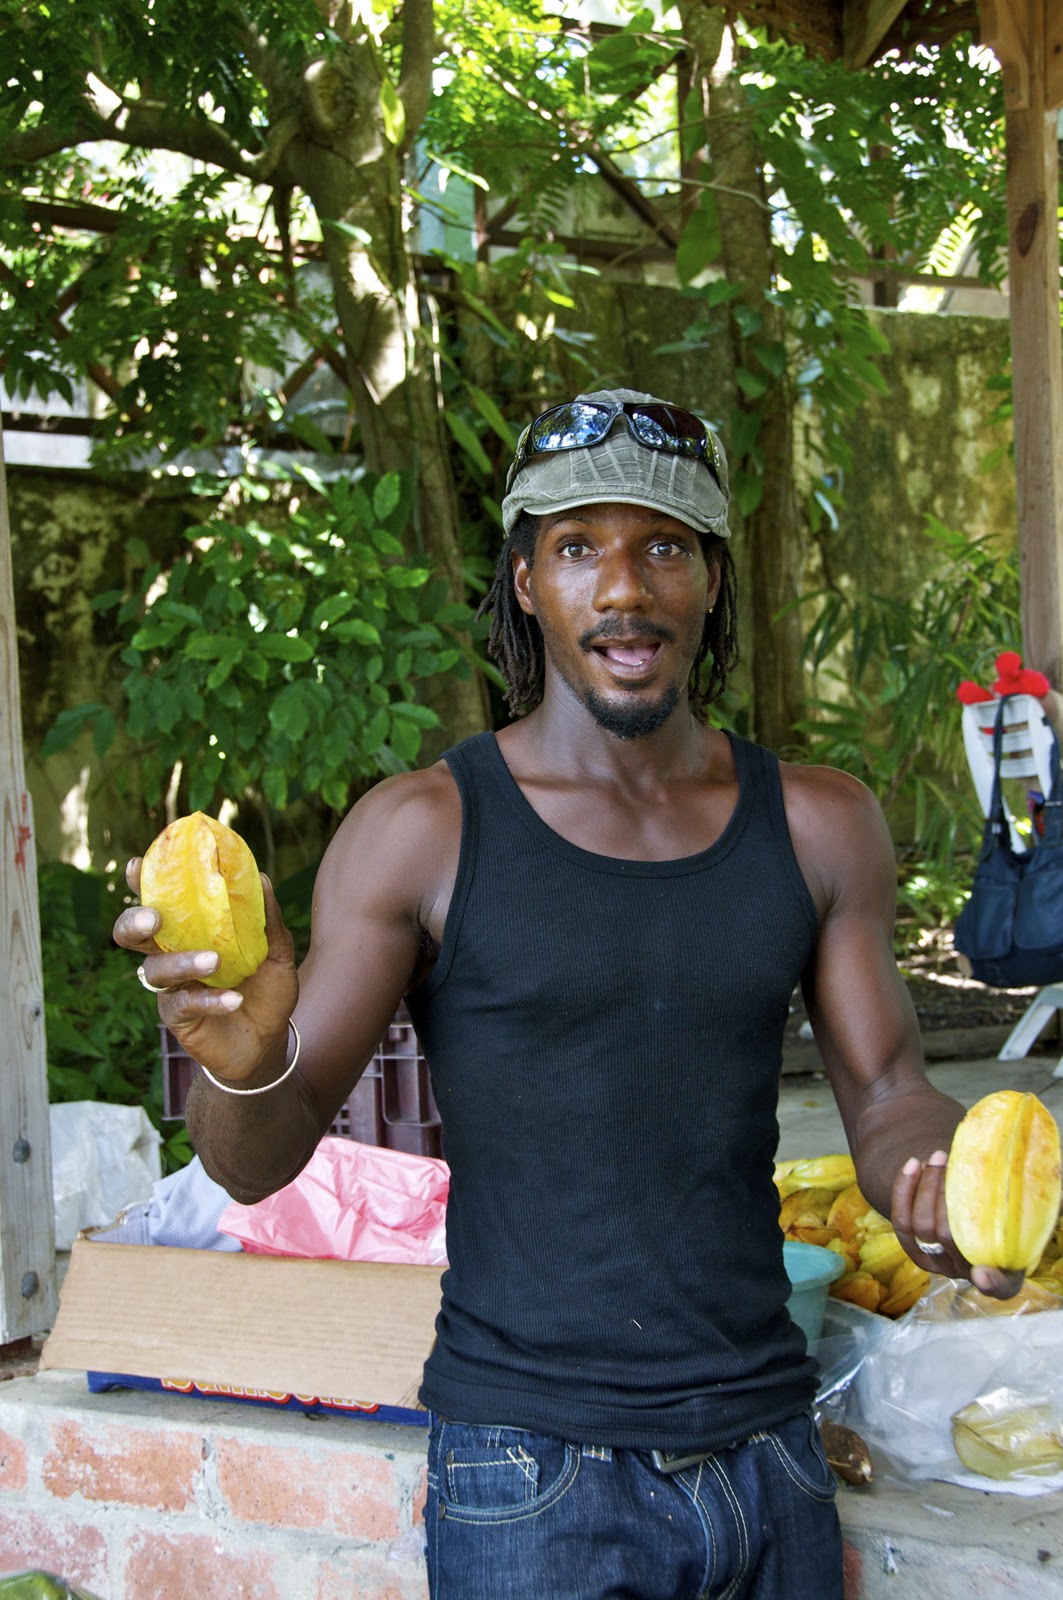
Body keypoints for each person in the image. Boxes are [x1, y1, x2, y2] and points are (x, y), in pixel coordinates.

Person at [114, 388, 1022, 1600]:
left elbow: (890, 1094)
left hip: (768, 1450)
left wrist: (940, 1199)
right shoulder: (421, 832)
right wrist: (238, 1055)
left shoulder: (818, 821)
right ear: (527, 582)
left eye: (662, 546)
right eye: (579, 547)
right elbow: (253, 1160)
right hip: (528, 1472)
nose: (625, 588)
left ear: (710, 579)